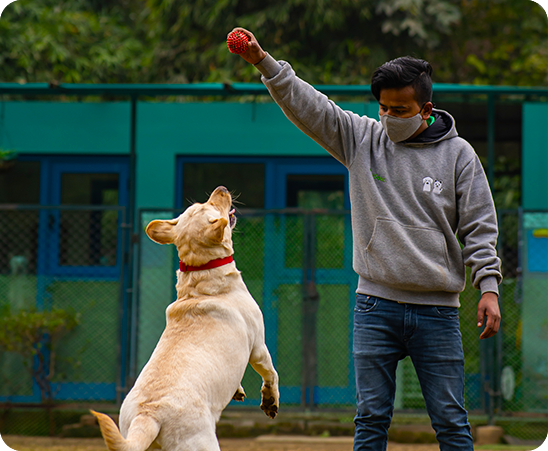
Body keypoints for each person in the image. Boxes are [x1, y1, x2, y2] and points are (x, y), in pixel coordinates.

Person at [229, 28, 502, 450]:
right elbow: (311, 106)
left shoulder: (458, 155)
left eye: (400, 109)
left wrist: (489, 287)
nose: (389, 117)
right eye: (383, 108)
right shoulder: (362, 139)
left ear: (426, 109)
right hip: (376, 305)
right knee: (371, 418)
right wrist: (264, 63)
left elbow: (479, 225)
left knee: (451, 421)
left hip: (437, 311)